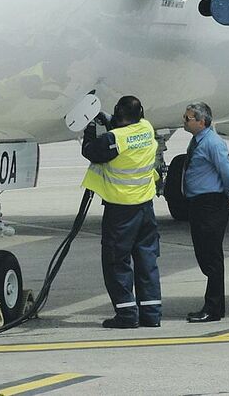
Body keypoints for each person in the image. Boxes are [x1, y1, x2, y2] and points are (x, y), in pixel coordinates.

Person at [81, 95, 162, 329]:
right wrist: (107, 118)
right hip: (146, 207)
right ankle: (151, 314)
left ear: (118, 113)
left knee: (117, 261)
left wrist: (89, 127)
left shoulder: (114, 139)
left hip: (122, 210)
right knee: (147, 260)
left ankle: (127, 315)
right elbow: (123, 127)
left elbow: (90, 151)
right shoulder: (146, 129)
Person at [182, 101, 229, 322]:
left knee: (212, 256)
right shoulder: (197, 141)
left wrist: (225, 196)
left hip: (210, 203)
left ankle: (214, 308)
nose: (184, 121)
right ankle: (213, 305)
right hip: (198, 204)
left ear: (202, 121)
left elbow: (228, 174)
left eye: (188, 118)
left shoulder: (213, 143)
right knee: (203, 253)